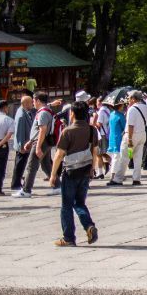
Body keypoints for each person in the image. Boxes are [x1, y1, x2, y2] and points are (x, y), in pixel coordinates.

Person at [47, 100, 100, 246]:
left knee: (66, 205)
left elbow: (59, 155)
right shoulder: (92, 130)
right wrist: (92, 168)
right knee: (80, 202)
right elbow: (94, 151)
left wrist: (53, 175)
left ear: (72, 114)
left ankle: (69, 237)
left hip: (70, 171)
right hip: (85, 170)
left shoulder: (68, 131)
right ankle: (89, 225)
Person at [13, 93, 54, 197]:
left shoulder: (43, 113)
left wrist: (38, 146)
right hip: (41, 141)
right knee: (46, 165)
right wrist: (30, 141)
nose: (33, 103)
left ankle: (26, 190)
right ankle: (57, 185)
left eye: (34, 101)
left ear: (38, 101)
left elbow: (42, 129)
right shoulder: (46, 111)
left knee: (31, 166)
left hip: (40, 142)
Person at [108, 91, 147, 186]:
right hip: (142, 134)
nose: (128, 100)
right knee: (138, 158)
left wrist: (129, 139)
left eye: (129, 98)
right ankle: (136, 179)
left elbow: (130, 125)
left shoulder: (132, 109)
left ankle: (118, 179)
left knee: (124, 157)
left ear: (134, 99)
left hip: (131, 135)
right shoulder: (145, 107)